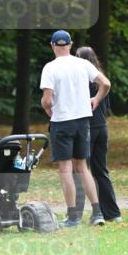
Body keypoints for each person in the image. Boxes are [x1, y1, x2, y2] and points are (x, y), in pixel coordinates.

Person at [39, 29, 111, 227]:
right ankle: (97, 213)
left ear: (53, 46)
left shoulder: (50, 68)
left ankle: (72, 216)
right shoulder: (83, 64)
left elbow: (47, 99)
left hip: (62, 122)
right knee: (82, 167)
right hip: (83, 121)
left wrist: (48, 109)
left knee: (66, 168)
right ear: (70, 45)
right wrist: (96, 100)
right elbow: (105, 83)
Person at [73, 46, 122, 223]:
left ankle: (76, 214)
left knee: (79, 170)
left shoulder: (80, 81)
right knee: (101, 170)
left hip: (87, 128)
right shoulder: (101, 81)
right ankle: (113, 213)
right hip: (102, 127)